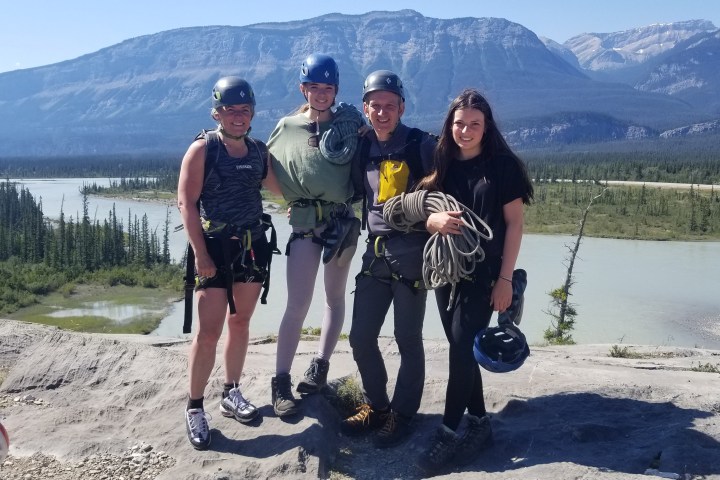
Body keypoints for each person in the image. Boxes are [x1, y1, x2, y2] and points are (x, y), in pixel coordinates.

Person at [415, 88, 534, 473]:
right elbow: (424, 207)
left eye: (474, 125)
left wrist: (504, 280)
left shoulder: (503, 166)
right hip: (448, 271)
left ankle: (448, 432)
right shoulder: (442, 162)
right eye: (459, 124)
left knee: (460, 350)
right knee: (461, 347)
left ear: (486, 127)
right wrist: (430, 220)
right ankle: (481, 423)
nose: (465, 131)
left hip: (484, 275)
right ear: (450, 126)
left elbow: (514, 225)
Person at [177, 76, 282, 450]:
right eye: (230, 110)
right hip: (214, 249)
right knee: (208, 332)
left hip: (252, 247)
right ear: (217, 112)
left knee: (240, 322)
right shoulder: (203, 149)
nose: (238, 116)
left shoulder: (257, 151)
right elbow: (186, 204)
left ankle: (231, 391)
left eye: (244, 109)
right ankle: (194, 407)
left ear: (253, 112)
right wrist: (201, 255)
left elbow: (284, 189)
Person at [341, 70, 437, 448]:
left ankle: (403, 414)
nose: (382, 113)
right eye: (375, 106)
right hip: (375, 251)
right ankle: (378, 407)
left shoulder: (421, 145)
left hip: (412, 252)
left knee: (407, 338)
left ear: (402, 108)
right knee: (361, 337)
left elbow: (450, 183)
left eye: (389, 106)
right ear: (366, 108)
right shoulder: (363, 146)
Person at [267, 53, 364, 417]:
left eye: (328, 88)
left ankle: (320, 366)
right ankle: (280, 381)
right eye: (314, 87)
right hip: (306, 224)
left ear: (335, 90)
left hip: (340, 222)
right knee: (297, 304)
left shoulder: (352, 127)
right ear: (303, 88)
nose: (321, 94)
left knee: (334, 298)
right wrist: (291, 198)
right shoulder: (288, 127)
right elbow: (269, 169)